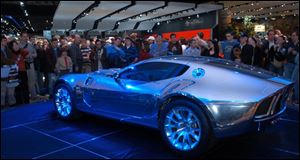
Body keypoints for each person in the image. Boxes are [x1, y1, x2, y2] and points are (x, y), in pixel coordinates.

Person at [8, 40, 30, 105]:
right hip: (14, 72)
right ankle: (19, 102)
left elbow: (27, 52)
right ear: (11, 47)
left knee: (25, 86)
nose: (16, 46)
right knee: (17, 88)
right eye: (14, 45)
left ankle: (26, 101)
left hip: (23, 71)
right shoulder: (10, 53)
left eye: (16, 44)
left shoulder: (21, 51)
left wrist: (20, 49)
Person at [19, 31, 38, 100]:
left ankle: (33, 95)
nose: (25, 38)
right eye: (24, 36)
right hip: (22, 65)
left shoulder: (30, 45)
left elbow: (35, 54)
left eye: (26, 36)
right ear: (20, 37)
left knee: (32, 81)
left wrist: (31, 55)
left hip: (31, 64)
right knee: (24, 82)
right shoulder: (18, 46)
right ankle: (25, 97)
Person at [1, 35, 17, 107]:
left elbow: (12, 57)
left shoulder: (7, 49)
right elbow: (3, 60)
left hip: (10, 71)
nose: (6, 42)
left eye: (6, 40)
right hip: (2, 71)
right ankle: (2, 103)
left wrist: (11, 62)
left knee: (11, 87)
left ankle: (12, 102)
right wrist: (11, 62)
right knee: (2, 89)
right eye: (4, 40)